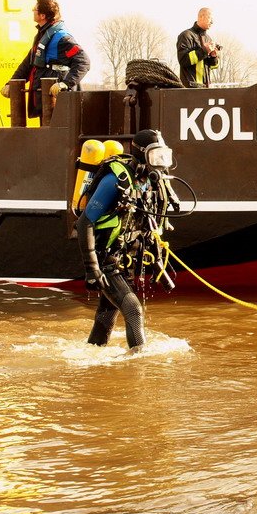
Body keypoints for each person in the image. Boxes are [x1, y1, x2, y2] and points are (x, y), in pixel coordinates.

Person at [76, 129, 177, 351]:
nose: (160, 163)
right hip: (105, 260)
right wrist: (92, 268)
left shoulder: (149, 182)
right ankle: (139, 366)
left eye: (163, 155)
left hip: (124, 260)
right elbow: (85, 222)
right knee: (132, 309)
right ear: (141, 154)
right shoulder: (116, 180)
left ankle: (92, 356)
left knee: (107, 313)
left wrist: (159, 258)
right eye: (155, 156)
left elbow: (148, 223)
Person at [1, 0, 90, 117]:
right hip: (44, 99)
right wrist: (11, 83)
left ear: (42, 16)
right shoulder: (42, 36)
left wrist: (65, 84)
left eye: (35, 8)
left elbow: (83, 62)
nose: (32, 10)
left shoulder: (62, 38)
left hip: (58, 102)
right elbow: (27, 65)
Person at [176, 7, 219, 87]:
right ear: (201, 17)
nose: (212, 22)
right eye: (210, 18)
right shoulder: (186, 35)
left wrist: (214, 56)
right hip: (190, 89)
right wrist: (205, 50)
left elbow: (214, 66)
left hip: (205, 89)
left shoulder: (208, 39)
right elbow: (183, 60)